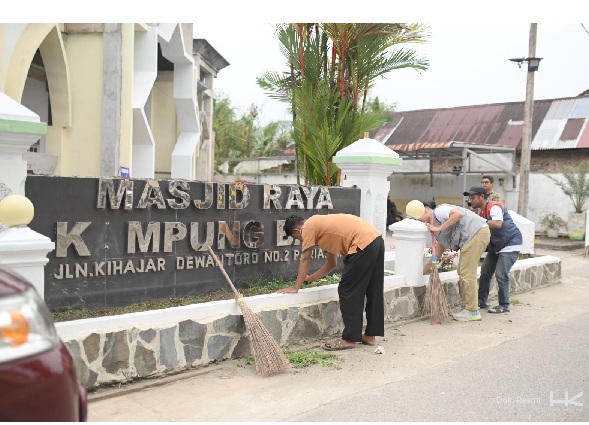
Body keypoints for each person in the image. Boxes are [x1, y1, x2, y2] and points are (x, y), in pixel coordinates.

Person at [278, 214, 385, 350]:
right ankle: (370, 336)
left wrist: (295, 288)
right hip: (376, 240)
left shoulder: (308, 227)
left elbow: (305, 258)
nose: (301, 241)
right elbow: (331, 264)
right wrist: (310, 278)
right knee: (373, 288)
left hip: (362, 244)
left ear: (297, 230)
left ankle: (350, 339)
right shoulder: (322, 231)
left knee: (348, 290)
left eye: (297, 238)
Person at [405, 199, 490, 322]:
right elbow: (437, 254)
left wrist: (438, 228)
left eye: (420, 219)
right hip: (473, 236)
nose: (421, 222)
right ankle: (466, 307)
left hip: (477, 233)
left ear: (425, 212)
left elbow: (458, 214)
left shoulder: (439, 211)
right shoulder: (435, 227)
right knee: (462, 271)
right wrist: (422, 271)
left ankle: (473, 311)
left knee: (467, 272)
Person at [464, 186, 522, 313]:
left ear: (482, 197)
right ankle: (481, 301)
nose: (470, 201)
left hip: (510, 243)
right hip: (497, 246)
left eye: (473, 198)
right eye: (469, 198)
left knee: (501, 274)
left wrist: (479, 221)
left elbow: (497, 223)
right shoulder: (481, 213)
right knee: (485, 272)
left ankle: (504, 305)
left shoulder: (493, 207)